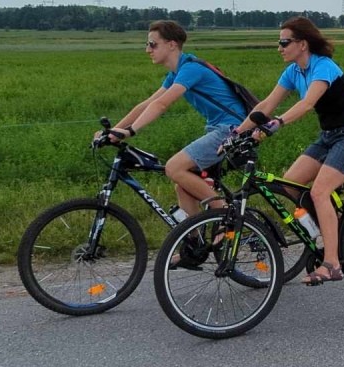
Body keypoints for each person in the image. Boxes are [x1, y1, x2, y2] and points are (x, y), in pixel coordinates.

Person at [237, 16, 344, 285]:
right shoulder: (293, 71)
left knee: (319, 191)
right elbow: (266, 104)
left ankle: (333, 263)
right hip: (329, 136)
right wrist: (237, 133)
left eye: (284, 42)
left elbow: (309, 103)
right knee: (290, 184)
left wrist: (276, 124)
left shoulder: (323, 67)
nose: (279, 47)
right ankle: (328, 225)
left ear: (302, 44)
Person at [102, 19, 246, 221]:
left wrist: (130, 131)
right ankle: (194, 246)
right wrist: (113, 131)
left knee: (174, 168)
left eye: (152, 44)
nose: (147, 50)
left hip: (232, 128)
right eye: (147, 44)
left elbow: (162, 104)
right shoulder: (175, 73)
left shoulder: (191, 69)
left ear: (171, 45)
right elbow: (147, 104)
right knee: (183, 186)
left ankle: (225, 214)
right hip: (217, 128)